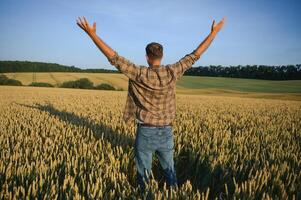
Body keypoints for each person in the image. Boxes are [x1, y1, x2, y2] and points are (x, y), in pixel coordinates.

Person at [76, 16, 225, 193]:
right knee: (170, 173)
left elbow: (114, 57)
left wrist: (92, 35)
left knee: (143, 176)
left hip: (145, 131)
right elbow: (195, 55)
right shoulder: (172, 72)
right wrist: (213, 33)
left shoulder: (139, 74)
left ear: (147, 57)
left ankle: (146, 196)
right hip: (166, 131)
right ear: (161, 56)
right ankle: (174, 195)